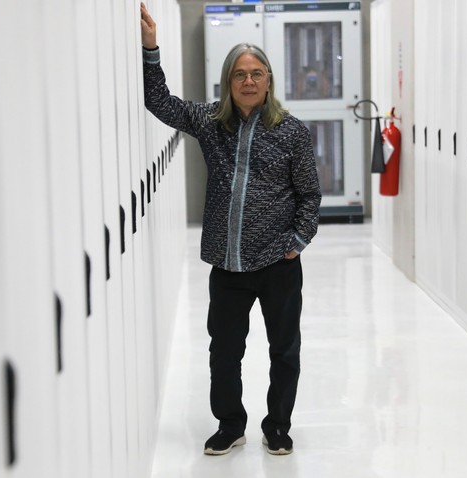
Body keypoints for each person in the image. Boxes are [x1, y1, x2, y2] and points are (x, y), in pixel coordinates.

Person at [140, 3, 321, 457]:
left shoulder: (292, 132)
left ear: (268, 81)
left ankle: (277, 427)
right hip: (228, 265)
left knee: (284, 351)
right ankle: (230, 425)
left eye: (257, 73)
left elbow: (309, 194)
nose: (248, 81)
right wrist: (151, 49)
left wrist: (297, 243)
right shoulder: (209, 121)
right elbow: (160, 102)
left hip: (278, 264)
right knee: (224, 352)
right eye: (240, 74)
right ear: (228, 81)